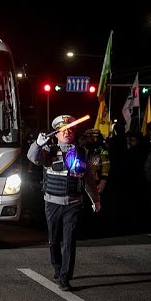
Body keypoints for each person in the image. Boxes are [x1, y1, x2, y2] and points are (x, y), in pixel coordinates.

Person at [27, 114, 101, 291]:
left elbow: (89, 179)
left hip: (74, 203)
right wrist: (37, 144)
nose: (67, 132)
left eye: (70, 129)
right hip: (52, 203)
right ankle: (58, 268)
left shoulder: (81, 153)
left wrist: (96, 200)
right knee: (54, 240)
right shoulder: (48, 151)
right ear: (57, 134)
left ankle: (65, 277)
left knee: (69, 241)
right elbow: (32, 158)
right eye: (62, 130)